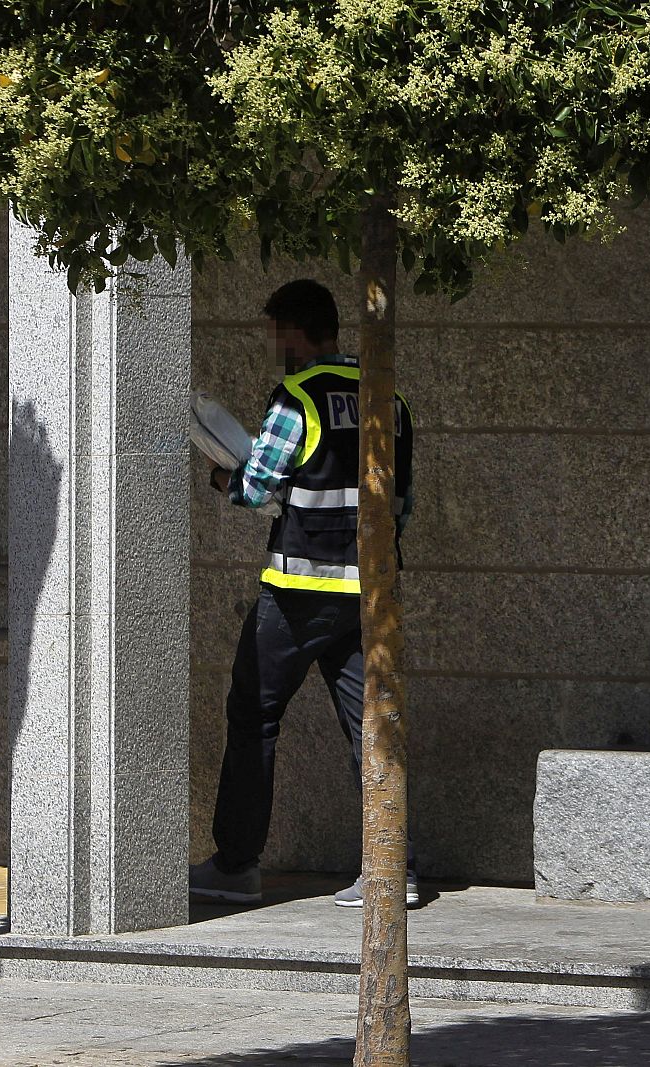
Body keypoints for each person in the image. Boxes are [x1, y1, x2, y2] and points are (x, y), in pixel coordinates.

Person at [189, 279, 418, 909]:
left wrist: (218, 474)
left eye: (273, 333)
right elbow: (402, 503)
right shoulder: (388, 397)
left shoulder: (299, 396)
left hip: (296, 592)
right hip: (369, 594)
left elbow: (256, 487)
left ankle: (236, 866)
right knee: (371, 728)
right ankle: (394, 869)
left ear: (292, 332)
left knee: (253, 717)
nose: (272, 345)